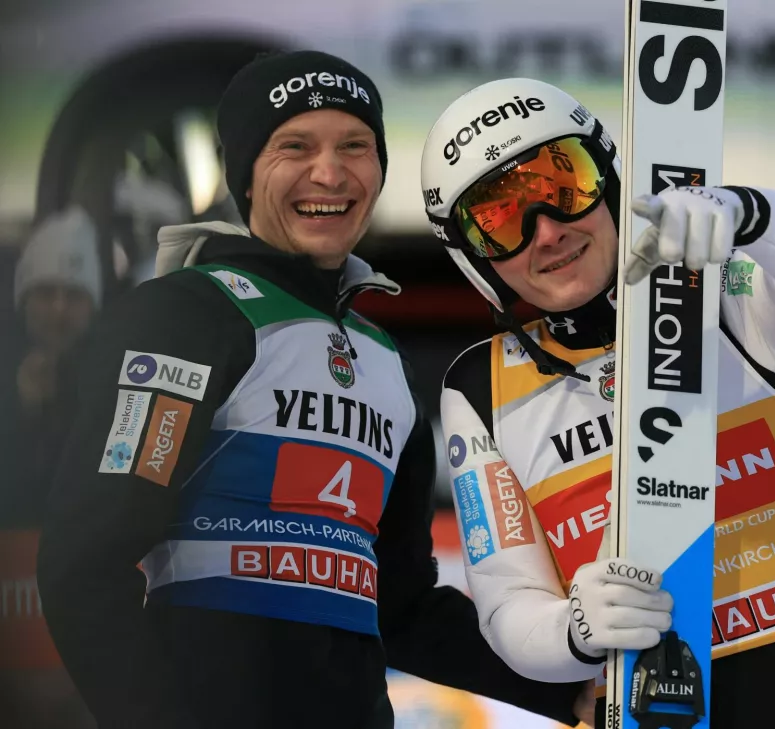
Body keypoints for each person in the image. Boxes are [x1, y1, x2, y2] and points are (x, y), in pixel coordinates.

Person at [36, 53, 590, 729]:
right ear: (244, 173)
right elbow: (85, 564)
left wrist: (569, 693)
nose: (330, 172)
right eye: (294, 146)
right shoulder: (185, 315)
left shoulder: (386, 360)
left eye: (354, 146)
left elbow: (405, 607)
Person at [420, 77, 775, 728]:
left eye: (563, 188)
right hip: (659, 702)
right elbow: (509, 607)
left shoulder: (724, 293)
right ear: (471, 257)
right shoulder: (478, 385)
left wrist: (742, 214)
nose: (546, 232)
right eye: (502, 219)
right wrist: (576, 628)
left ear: (613, 178)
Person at [0, 207, 101, 527]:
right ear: (23, 299)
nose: (59, 310)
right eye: (46, 293)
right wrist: (23, 411)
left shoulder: (111, 378)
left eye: (73, 295)